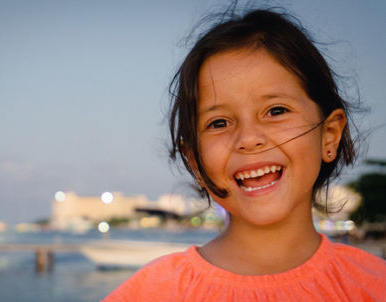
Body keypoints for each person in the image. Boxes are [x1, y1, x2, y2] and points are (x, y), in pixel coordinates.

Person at [102, 7, 386, 302]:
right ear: (194, 161)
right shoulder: (151, 293)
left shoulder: (373, 286)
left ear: (329, 135)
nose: (248, 139)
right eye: (219, 123)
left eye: (276, 111)